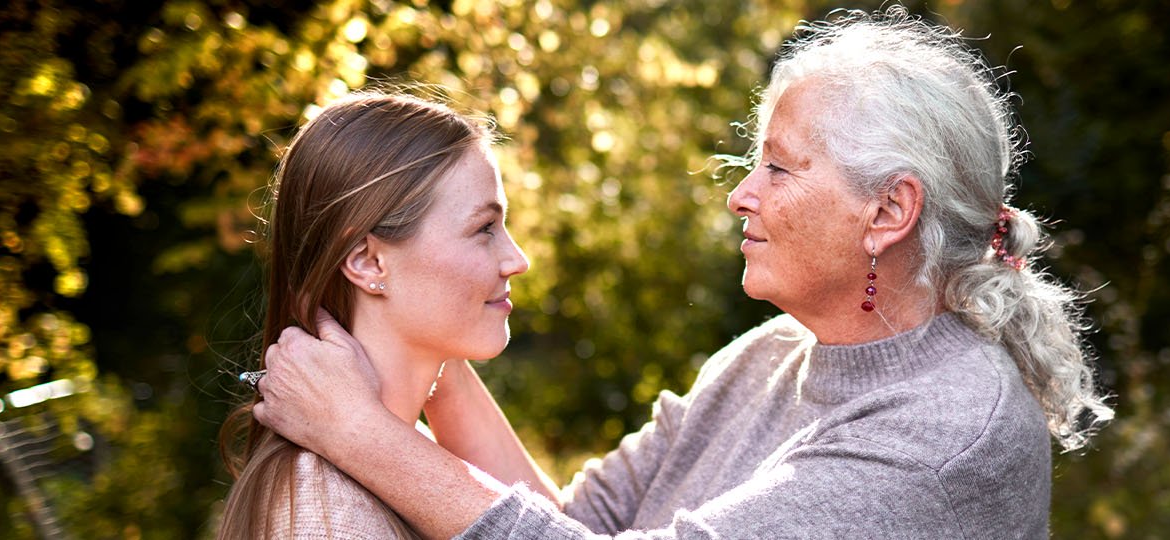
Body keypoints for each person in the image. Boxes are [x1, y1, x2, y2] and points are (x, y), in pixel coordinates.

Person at [251, 8, 1112, 539]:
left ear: (888, 212)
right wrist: (429, 354)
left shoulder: (943, 436)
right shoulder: (771, 356)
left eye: (779, 168)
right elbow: (569, 529)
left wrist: (362, 434)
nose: (743, 195)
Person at [217, 92, 530, 539]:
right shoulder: (329, 514)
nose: (518, 260)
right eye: (484, 229)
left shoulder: (406, 471)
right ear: (368, 261)